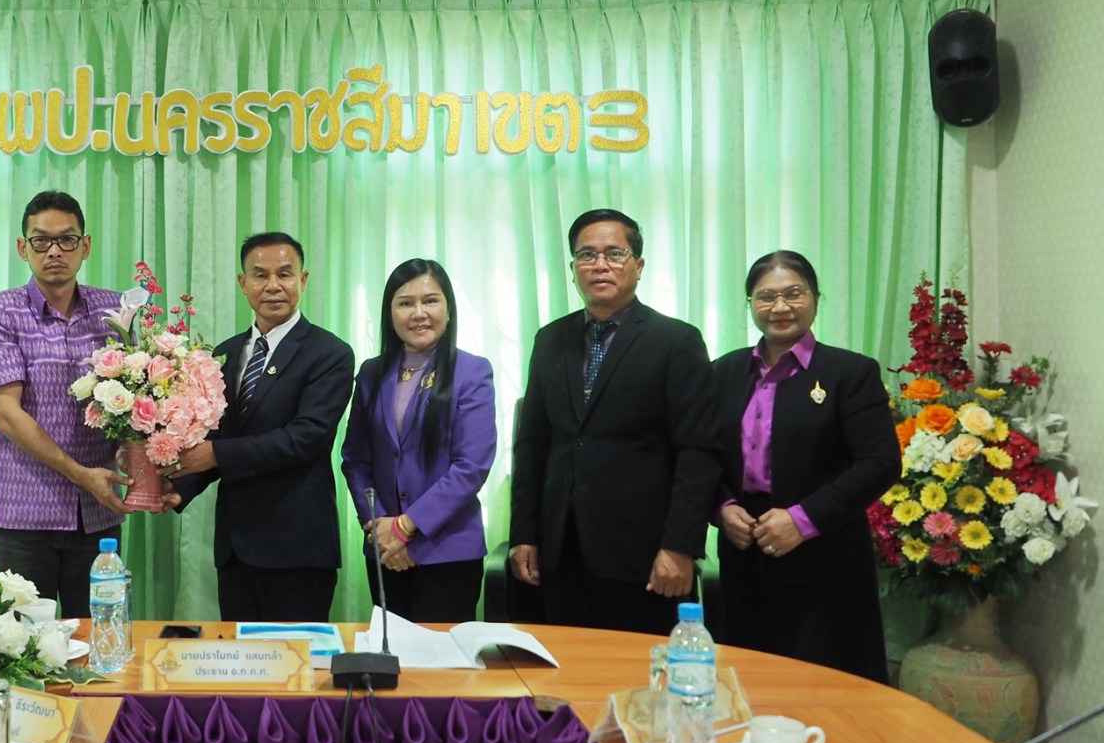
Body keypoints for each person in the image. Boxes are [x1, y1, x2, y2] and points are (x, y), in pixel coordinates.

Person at [509, 209, 715, 635]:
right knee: (564, 668)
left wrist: (680, 546)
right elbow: (532, 445)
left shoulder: (676, 341)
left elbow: (698, 453)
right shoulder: (550, 340)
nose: (599, 265)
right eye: (586, 255)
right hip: (560, 551)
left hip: (645, 556)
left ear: (638, 265)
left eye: (614, 253)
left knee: (638, 670)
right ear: (572, 270)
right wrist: (523, 534)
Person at [708, 251, 897, 680]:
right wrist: (720, 507)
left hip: (825, 554)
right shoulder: (723, 372)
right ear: (750, 303)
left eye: (793, 294)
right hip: (745, 550)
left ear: (815, 298)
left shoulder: (849, 372)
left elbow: (880, 462)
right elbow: (703, 456)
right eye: (766, 296)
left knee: (824, 687)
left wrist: (802, 519)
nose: (780, 307)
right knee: (747, 681)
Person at [164, 232, 355, 622]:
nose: (273, 286)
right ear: (243, 283)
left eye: (284, 274)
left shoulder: (330, 353)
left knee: (295, 659)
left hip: (298, 549)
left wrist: (214, 455)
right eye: (260, 275)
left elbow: (306, 438)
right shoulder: (225, 353)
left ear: (302, 280)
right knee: (239, 658)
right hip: (236, 550)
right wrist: (176, 486)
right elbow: (217, 435)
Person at [0, 190, 129, 616]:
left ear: (85, 246)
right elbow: (8, 416)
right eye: (41, 241)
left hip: (97, 516)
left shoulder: (114, 311)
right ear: (23, 248)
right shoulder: (0, 311)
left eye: (67, 240)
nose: (54, 251)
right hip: (25, 514)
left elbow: (135, 401)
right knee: (24, 641)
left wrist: (139, 458)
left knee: (98, 631)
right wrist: (81, 475)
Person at [341, 259, 497, 623]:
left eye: (430, 301)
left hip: (448, 553)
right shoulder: (371, 372)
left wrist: (406, 527)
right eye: (405, 303)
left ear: (448, 309)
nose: (419, 313)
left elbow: (471, 467)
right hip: (385, 552)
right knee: (390, 654)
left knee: (442, 658)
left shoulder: (472, 372)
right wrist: (381, 526)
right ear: (390, 313)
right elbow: (355, 459)